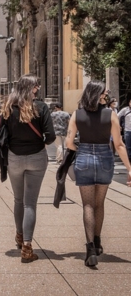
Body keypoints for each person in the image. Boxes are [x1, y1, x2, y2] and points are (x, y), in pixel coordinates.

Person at [66, 81, 131, 267]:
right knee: (99, 203)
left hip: (84, 157)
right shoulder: (110, 114)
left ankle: (90, 249)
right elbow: (119, 145)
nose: (106, 94)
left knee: (87, 204)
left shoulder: (77, 115)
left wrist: (81, 149)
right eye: (104, 92)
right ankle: (97, 240)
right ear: (98, 94)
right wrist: (129, 168)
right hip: (105, 158)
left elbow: (69, 142)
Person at [1, 74, 55, 263]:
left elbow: (3, 134)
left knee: (18, 199)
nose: (38, 89)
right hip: (36, 157)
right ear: (31, 88)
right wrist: (41, 142)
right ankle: (27, 245)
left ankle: (19, 235)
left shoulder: (9, 106)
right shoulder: (40, 107)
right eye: (36, 86)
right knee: (29, 203)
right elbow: (51, 135)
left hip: (14, 157)